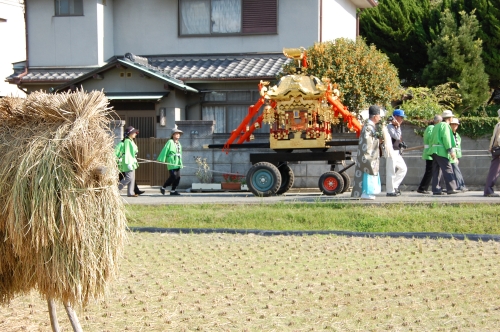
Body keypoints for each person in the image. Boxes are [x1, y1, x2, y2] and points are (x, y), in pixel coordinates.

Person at [351, 105, 382, 200]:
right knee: (367, 172)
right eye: (379, 116)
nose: (380, 118)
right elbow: (367, 142)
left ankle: (369, 192)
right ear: (375, 116)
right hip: (368, 154)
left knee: (370, 173)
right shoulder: (368, 127)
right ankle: (365, 192)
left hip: (370, 153)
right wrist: (378, 141)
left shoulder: (370, 126)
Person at [427, 110, 459, 195]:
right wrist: (450, 150)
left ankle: (436, 189)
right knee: (447, 168)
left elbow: (431, 139)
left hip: (434, 150)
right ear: (450, 118)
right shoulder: (445, 125)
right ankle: (451, 188)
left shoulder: (436, 126)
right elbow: (446, 139)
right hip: (441, 151)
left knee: (437, 170)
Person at [417, 115, 442, 194]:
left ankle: (423, 187)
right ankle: (422, 188)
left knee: (430, 171)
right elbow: (431, 138)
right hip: (429, 152)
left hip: (429, 151)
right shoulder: (431, 128)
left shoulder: (431, 127)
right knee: (429, 171)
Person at [385, 109, 408, 196]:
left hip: (396, 151)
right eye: (401, 117)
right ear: (396, 117)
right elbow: (397, 136)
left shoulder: (395, 126)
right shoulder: (390, 126)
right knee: (391, 171)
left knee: (403, 168)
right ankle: (390, 191)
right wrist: (398, 126)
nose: (402, 119)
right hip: (391, 151)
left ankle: (394, 186)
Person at [158, 126, 184, 195]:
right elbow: (165, 150)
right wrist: (162, 159)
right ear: (173, 135)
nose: (178, 135)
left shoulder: (178, 143)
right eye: (176, 133)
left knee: (178, 177)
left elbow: (180, 153)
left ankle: (173, 190)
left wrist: (180, 162)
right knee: (173, 176)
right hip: (172, 161)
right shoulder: (170, 142)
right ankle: (163, 187)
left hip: (177, 161)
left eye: (179, 134)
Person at [117, 126, 139, 197]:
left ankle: (130, 192)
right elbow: (128, 152)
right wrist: (129, 162)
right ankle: (116, 190)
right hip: (128, 161)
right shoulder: (127, 141)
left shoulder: (130, 140)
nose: (136, 133)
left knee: (132, 178)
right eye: (134, 132)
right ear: (130, 133)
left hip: (132, 161)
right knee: (129, 177)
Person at [483, 109, 500, 197]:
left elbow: (494, 138)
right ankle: (488, 190)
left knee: (494, 171)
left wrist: (490, 147)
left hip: (496, 150)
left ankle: (488, 190)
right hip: (499, 150)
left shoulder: (498, 124)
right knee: (494, 172)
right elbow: (499, 139)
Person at [450, 117, 468, 192]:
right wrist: (454, 156)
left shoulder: (457, 135)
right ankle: (461, 185)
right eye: (453, 124)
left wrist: (458, 157)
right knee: (456, 171)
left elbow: (458, 147)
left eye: (456, 125)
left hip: (457, 156)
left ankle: (455, 186)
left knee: (453, 171)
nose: (454, 126)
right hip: (451, 155)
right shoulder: (449, 134)